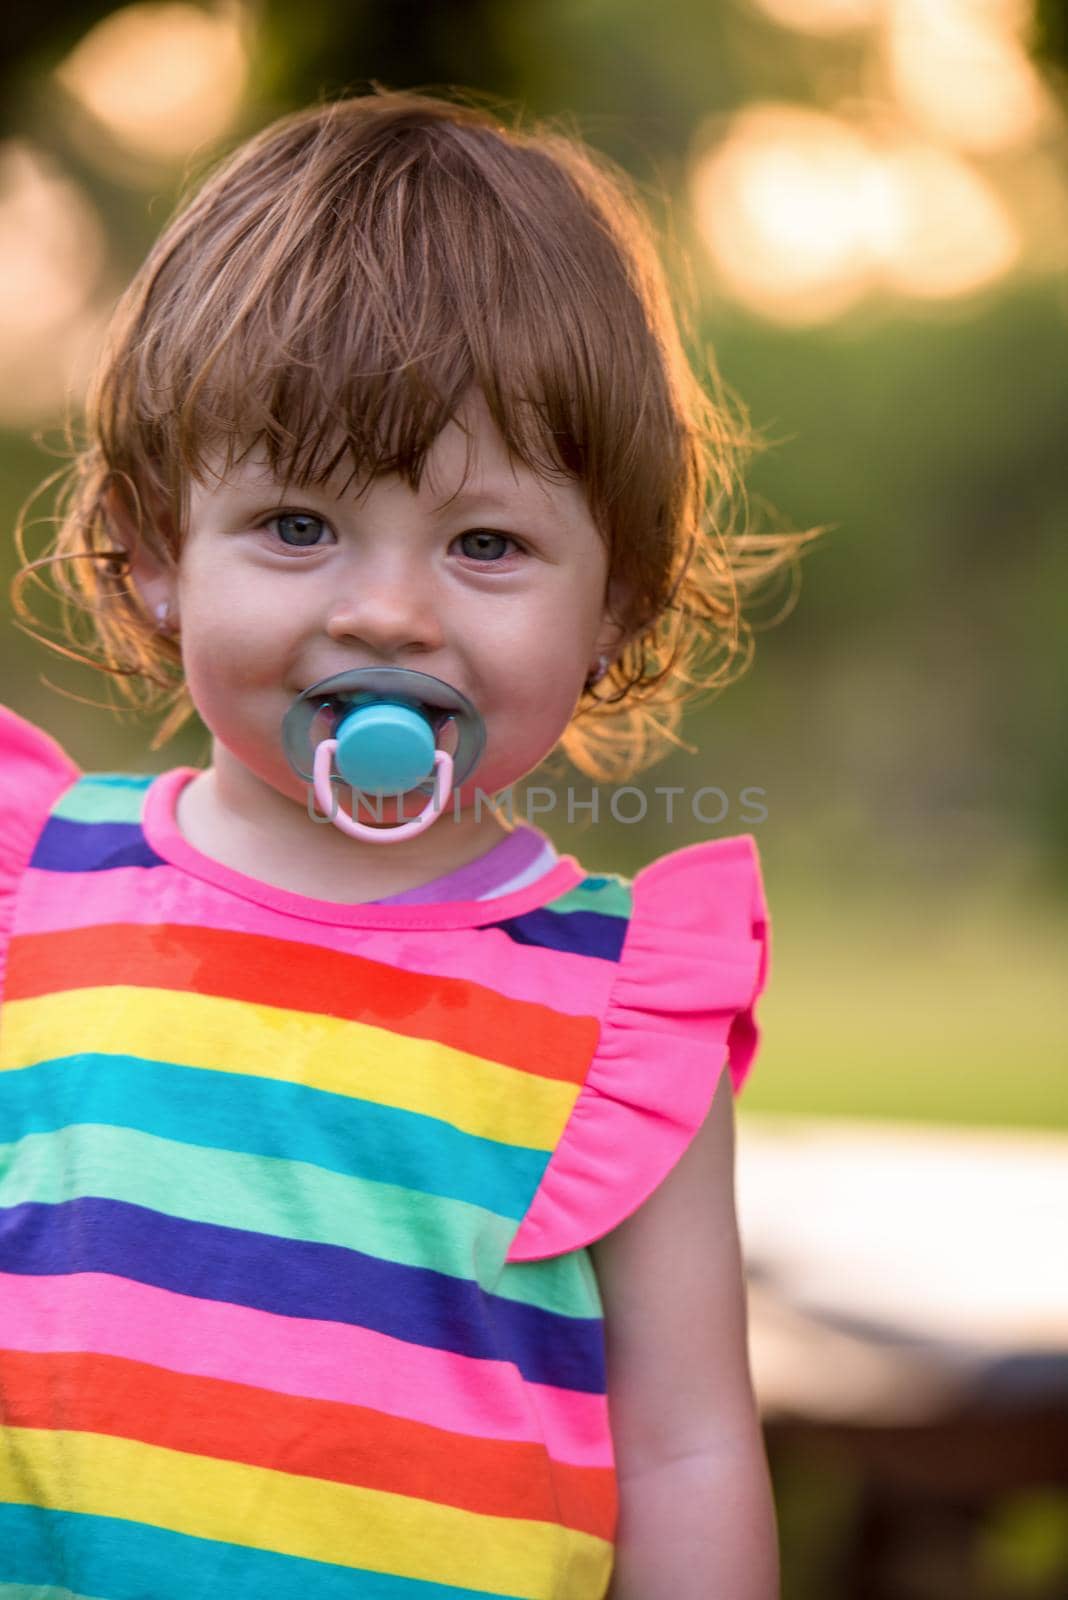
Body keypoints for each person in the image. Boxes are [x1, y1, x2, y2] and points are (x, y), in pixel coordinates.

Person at [0, 87, 816, 1599]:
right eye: (299, 527)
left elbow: (689, 1446)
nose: (387, 610)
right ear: (152, 548)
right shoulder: (30, 900)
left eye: (486, 545)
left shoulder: (622, 1015)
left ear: (616, 603)